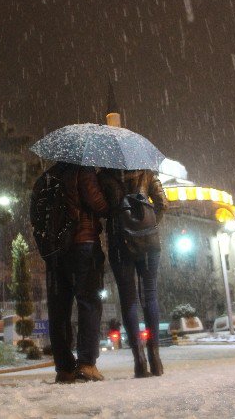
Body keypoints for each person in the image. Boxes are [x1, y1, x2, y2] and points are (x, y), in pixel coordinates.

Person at [43, 162, 109, 383]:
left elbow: (39, 211)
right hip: (83, 243)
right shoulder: (84, 170)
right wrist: (110, 202)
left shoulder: (49, 176)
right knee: (89, 302)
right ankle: (86, 364)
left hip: (55, 249)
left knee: (59, 308)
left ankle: (64, 367)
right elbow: (98, 204)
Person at [99, 168, 168, 377]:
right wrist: (148, 224)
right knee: (150, 295)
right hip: (148, 241)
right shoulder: (146, 173)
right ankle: (155, 358)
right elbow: (163, 203)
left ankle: (139, 360)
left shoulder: (104, 177)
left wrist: (116, 215)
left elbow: (100, 208)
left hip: (120, 243)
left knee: (128, 299)